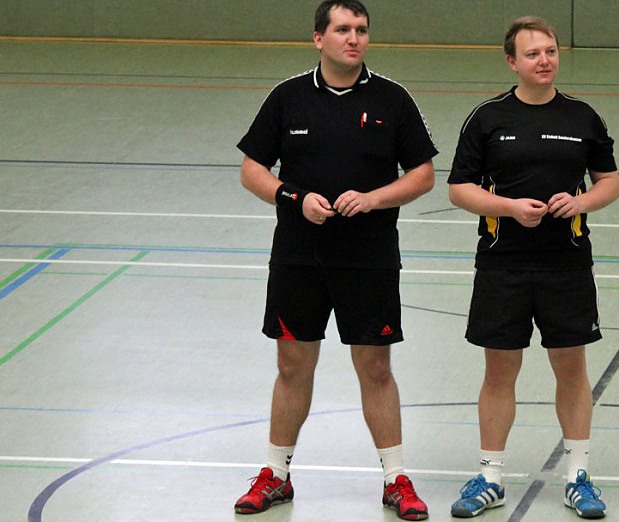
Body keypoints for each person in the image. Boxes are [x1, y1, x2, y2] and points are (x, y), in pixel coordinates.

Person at [232, 1, 437, 520]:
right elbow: (252, 169)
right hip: (299, 257)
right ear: (318, 38)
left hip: (368, 258)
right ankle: (276, 474)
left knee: (375, 365)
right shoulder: (288, 97)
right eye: (343, 29)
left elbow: (423, 175)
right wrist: (293, 198)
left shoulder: (393, 99)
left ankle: (396, 480)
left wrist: (373, 198)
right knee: (292, 362)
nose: (354, 38)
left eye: (362, 30)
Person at [446, 16, 619, 520]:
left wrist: (582, 200)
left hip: (567, 265)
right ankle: (490, 477)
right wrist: (509, 208)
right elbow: (460, 189)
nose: (544, 60)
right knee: (500, 371)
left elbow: (609, 183)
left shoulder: (583, 117)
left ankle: (577, 476)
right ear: (512, 62)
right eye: (532, 54)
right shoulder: (487, 118)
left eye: (550, 51)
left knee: (572, 369)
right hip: (502, 267)